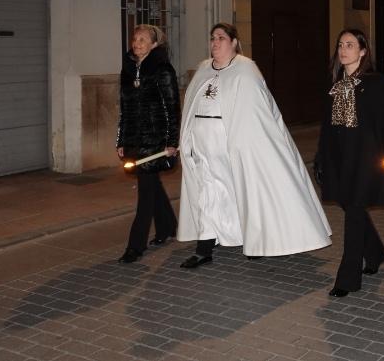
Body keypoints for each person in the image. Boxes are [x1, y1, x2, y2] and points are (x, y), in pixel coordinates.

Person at [176, 23, 332, 267]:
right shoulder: (204, 70)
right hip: (203, 147)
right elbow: (191, 108)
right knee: (208, 193)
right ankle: (204, 247)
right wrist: (186, 141)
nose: (215, 43)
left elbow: (257, 113)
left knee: (243, 190)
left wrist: (243, 142)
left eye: (221, 38)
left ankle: (254, 240)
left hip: (234, 147)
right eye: (212, 38)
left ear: (234, 42)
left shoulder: (246, 70)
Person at [314, 30, 384, 298]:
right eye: (341, 45)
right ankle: (375, 252)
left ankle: (348, 279)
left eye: (350, 45)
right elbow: (328, 127)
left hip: (365, 160)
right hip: (339, 158)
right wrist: (320, 157)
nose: (343, 50)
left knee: (353, 213)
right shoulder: (336, 83)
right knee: (350, 206)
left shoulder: (376, 84)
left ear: (363, 51)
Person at [116, 24, 180, 264]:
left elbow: (172, 107)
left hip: (155, 141)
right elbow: (125, 108)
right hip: (134, 139)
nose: (137, 43)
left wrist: (171, 141)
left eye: (143, 40)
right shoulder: (128, 70)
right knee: (151, 184)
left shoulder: (162, 70)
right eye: (135, 39)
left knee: (145, 191)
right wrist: (122, 140)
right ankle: (167, 228)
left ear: (154, 44)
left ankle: (135, 246)